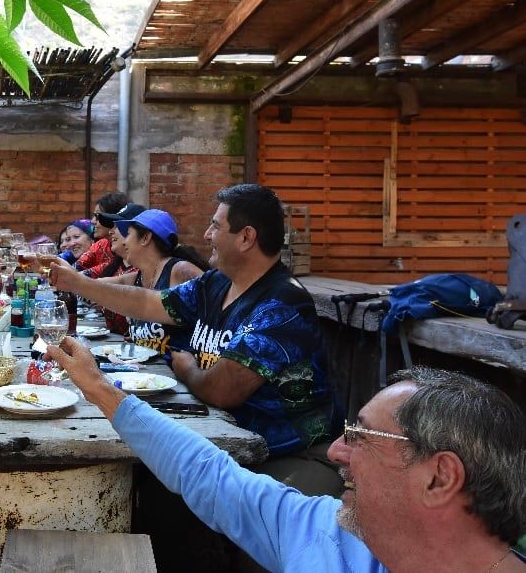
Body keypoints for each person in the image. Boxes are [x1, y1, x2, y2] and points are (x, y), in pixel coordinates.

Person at [47, 338, 526, 573]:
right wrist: (100, 390)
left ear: (439, 477)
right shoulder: (328, 534)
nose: (336, 451)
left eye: (360, 435)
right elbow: (208, 474)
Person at [52, 184, 336, 461]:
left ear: (246, 237)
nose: (206, 234)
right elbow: (148, 302)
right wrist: (76, 283)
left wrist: (187, 369)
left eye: (215, 226)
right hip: (217, 437)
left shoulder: (281, 305)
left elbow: (222, 389)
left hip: (278, 454)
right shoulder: (217, 282)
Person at [105, 209, 208, 355]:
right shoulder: (138, 276)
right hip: (144, 367)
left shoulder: (180, 271)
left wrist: (194, 364)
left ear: (145, 238)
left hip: (177, 368)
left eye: (128, 234)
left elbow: (217, 317)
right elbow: (95, 285)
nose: (124, 242)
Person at [75, 191, 129, 276]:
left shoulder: (132, 254)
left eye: (98, 217)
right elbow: (77, 267)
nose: (92, 221)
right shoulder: (102, 244)